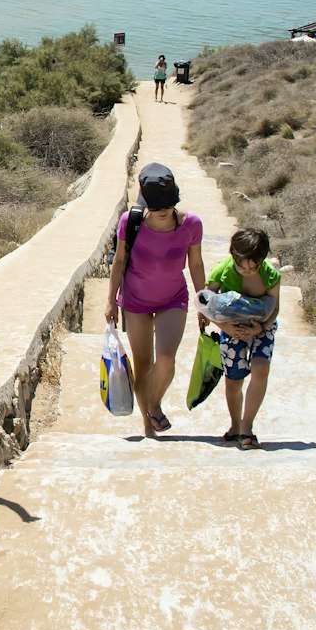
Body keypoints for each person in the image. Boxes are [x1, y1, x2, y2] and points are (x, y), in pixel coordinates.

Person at [103, 163, 206, 437]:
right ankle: (148, 426)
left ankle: (154, 404)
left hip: (173, 299)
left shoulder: (192, 225)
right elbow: (120, 261)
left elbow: (195, 264)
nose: (164, 211)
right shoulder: (131, 221)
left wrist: (203, 300)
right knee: (143, 364)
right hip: (136, 301)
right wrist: (111, 301)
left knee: (166, 360)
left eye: (168, 205)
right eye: (158, 206)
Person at [201, 227, 282, 449]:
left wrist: (262, 327)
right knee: (234, 379)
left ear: (261, 259)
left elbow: (275, 307)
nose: (246, 270)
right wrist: (223, 326)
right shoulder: (222, 271)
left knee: (261, 368)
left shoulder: (270, 276)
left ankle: (247, 427)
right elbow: (204, 303)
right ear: (233, 256)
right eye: (241, 264)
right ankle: (235, 425)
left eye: (252, 266)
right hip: (231, 328)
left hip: (261, 328)